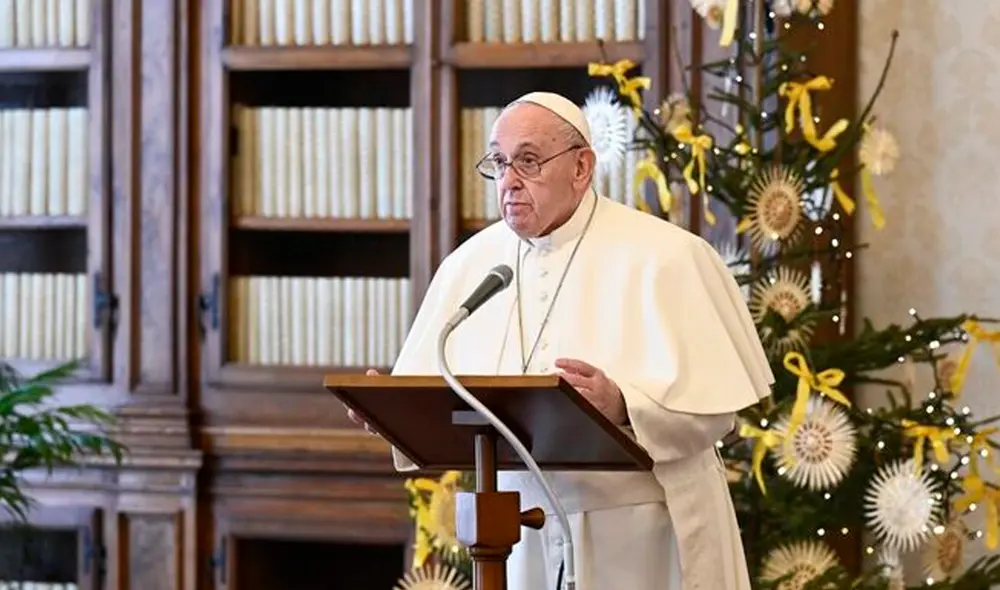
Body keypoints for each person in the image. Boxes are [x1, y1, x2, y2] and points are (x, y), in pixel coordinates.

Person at [348, 91, 774, 590]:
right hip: (518, 535)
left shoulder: (668, 257)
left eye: (528, 161)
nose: (508, 180)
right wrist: (393, 410)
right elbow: (444, 399)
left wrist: (622, 405)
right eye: (500, 162)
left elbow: (714, 412)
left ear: (581, 167)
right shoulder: (471, 264)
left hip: (640, 534)